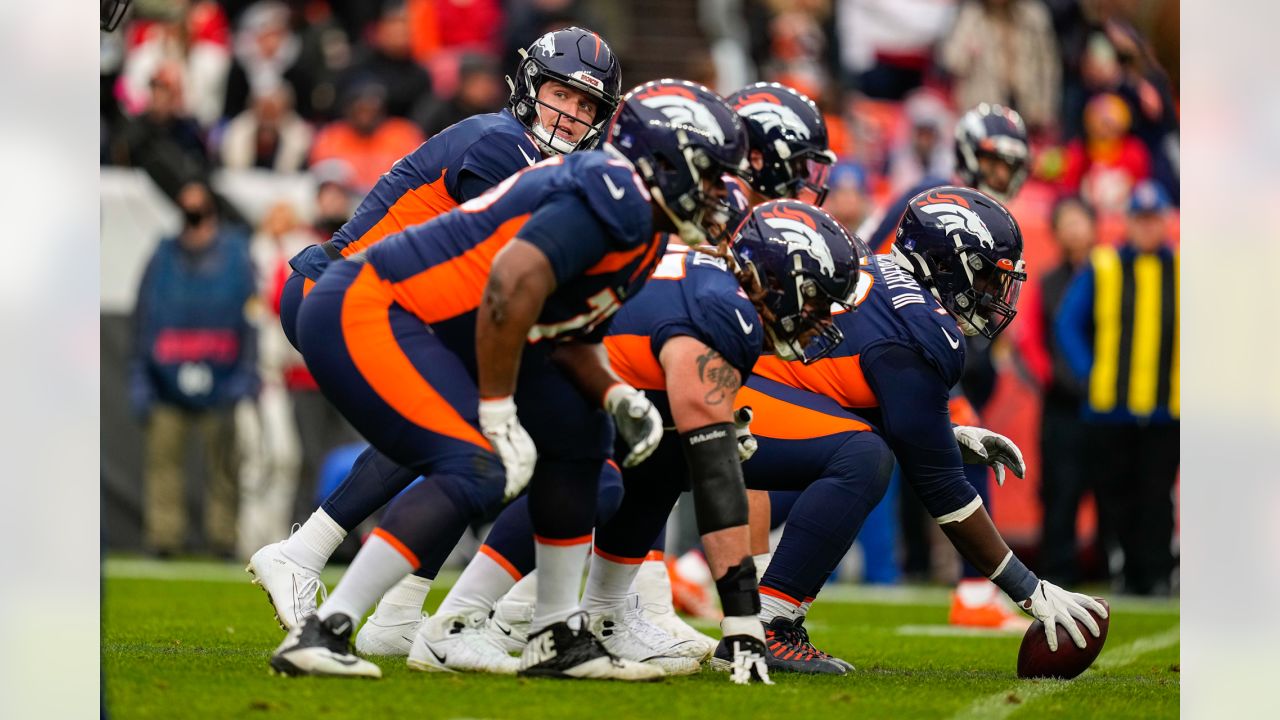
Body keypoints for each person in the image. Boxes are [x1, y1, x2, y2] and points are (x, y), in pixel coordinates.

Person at [267, 78, 752, 681]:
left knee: (586, 448)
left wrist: (615, 396)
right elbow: (509, 286)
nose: (716, 193)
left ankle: (555, 637)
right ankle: (327, 627)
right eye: (707, 174)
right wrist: (496, 408)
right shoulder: (613, 193)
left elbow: (567, 331)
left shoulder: (645, 228)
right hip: (374, 308)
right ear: (662, 162)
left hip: (428, 317)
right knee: (478, 461)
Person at [415, 81, 842, 669]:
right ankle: (460, 612)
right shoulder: (649, 200)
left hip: (601, 343)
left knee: (656, 453)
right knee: (586, 461)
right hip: (549, 336)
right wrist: (743, 620)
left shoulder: (703, 216)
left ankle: (597, 611)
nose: (808, 180)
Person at [247, 27, 622, 644]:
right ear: (531, 86)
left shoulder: (527, 156)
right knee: (467, 435)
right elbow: (513, 270)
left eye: (587, 106)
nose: (571, 113)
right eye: (562, 93)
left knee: (470, 432)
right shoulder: (504, 145)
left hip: (374, 301)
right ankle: (308, 557)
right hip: (340, 296)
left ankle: (394, 612)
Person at [750, 185, 1108, 660]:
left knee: (861, 445)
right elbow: (942, 490)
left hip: (745, 389)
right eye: (985, 279)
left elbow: (843, 390)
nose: (992, 296)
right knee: (862, 455)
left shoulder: (879, 273)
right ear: (947, 264)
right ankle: (771, 622)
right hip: (732, 402)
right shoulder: (923, 327)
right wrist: (1029, 588)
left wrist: (947, 434)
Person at [859, 103, 1035, 629]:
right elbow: (871, 254)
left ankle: (976, 586)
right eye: (993, 160)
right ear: (967, 153)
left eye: (1011, 163)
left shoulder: (988, 212)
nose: (1002, 172)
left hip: (943, 344)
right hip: (903, 341)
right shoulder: (937, 198)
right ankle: (975, 588)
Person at [1055, 180, 1179, 596]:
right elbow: (1067, 323)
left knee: (1157, 497)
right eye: (1139, 220)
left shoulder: (1181, 269)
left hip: (1165, 408)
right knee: (1116, 497)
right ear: (1128, 222)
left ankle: (1158, 574)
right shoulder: (1104, 265)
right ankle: (1125, 571)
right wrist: (1090, 373)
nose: (1146, 228)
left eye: (1153, 220)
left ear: (1164, 222)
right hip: (1110, 408)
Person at [130, 180, 258, 558]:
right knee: (164, 464)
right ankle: (164, 538)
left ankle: (222, 538)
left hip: (222, 376)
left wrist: (244, 376)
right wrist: (141, 376)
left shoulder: (236, 254)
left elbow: (250, 319)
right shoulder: (163, 254)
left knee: (223, 468)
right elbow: (143, 317)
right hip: (166, 376)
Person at [1014, 196, 1098, 584]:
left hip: (1110, 406)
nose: (1074, 229)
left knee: (1113, 490)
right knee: (1059, 493)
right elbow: (1029, 341)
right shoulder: (1048, 281)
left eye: (1080, 221)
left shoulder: (1112, 276)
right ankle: (1057, 574)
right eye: (1067, 222)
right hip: (1062, 405)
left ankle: (1111, 567)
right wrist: (1057, 378)